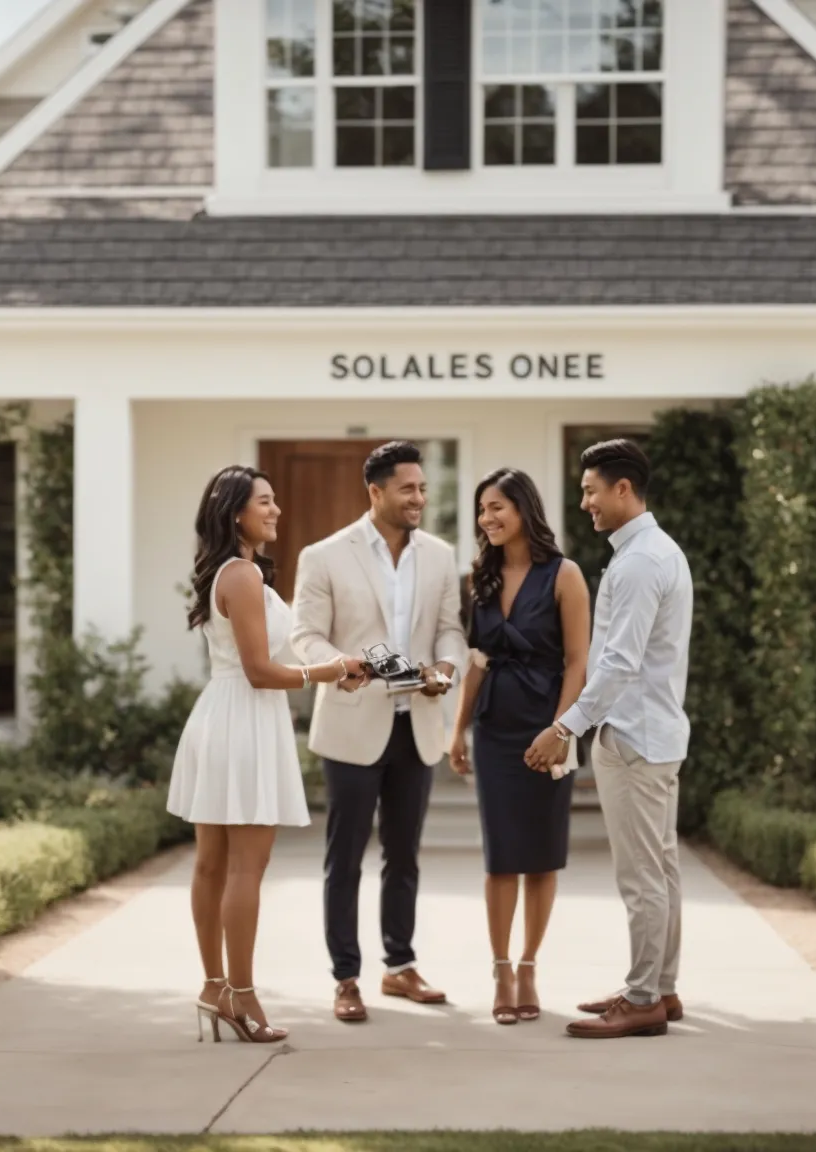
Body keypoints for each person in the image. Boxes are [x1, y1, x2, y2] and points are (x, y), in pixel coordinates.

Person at [168, 465, 365, 1045]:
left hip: (221, 717)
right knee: (244, 868)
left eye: (276, 500)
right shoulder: (244, 578)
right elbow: (259, 672)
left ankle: (214, 986)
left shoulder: (235, 573)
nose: (276, 510)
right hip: (245, 721)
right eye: (265, 502)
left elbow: (257, 666)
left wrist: (330, 670)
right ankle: (242, 995)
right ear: (236, 513)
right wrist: (329, 671)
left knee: (212, 864)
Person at [290, 440, 468, 1023]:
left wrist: (445, 669)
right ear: (376, 491)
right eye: (408, 489)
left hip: (415, 725)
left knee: (405, 856)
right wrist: (347, 665)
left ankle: (400, 965)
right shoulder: (324, 555)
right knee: (344, 858)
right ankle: (345, 977)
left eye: (422, 488)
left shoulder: (440, 556)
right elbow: (306, 637)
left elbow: (449, 631)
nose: (419, 498)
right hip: (350, 723)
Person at [525, 438, 694, 1040]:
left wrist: (563, 726)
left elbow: (618, 663)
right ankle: (659, 987)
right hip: (653, 734)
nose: (585, 502)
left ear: (624, 489)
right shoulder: (646, 552)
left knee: (643, 878)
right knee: (661, 872)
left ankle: (645, 998)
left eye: (592, 491)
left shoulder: (644, 560)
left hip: (636, 738)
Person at [447, 468, 591, 1026]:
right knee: (501, 855)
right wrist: (457, 728)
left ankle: (530, 965)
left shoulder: (565, 575)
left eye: (498, 506)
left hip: (548, 726)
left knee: (542, 855)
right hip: (496, 729)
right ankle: (501, 968)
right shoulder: (476, 580)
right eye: (482, 509)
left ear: (525, 508)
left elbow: (578, 661)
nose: (488, 518)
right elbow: (478, 660)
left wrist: (560, 731)